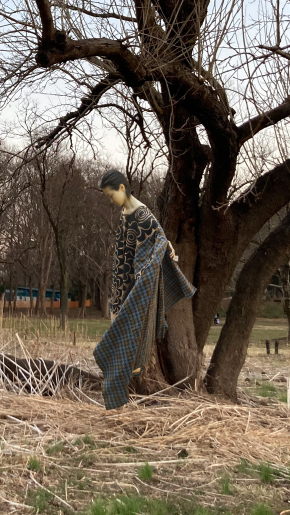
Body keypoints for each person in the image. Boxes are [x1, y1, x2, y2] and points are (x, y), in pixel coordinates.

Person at [92, 170, 195, 409]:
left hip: (134, 289)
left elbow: (159, 240)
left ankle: (123, 383)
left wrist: (165, 249)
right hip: (122, 287)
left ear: (121, 188)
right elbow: (125, 252)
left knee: (122, 341)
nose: (111, 200)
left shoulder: (142, 214)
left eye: (111, 195)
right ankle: (123, 387)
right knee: (120, 337)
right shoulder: (126, 212)